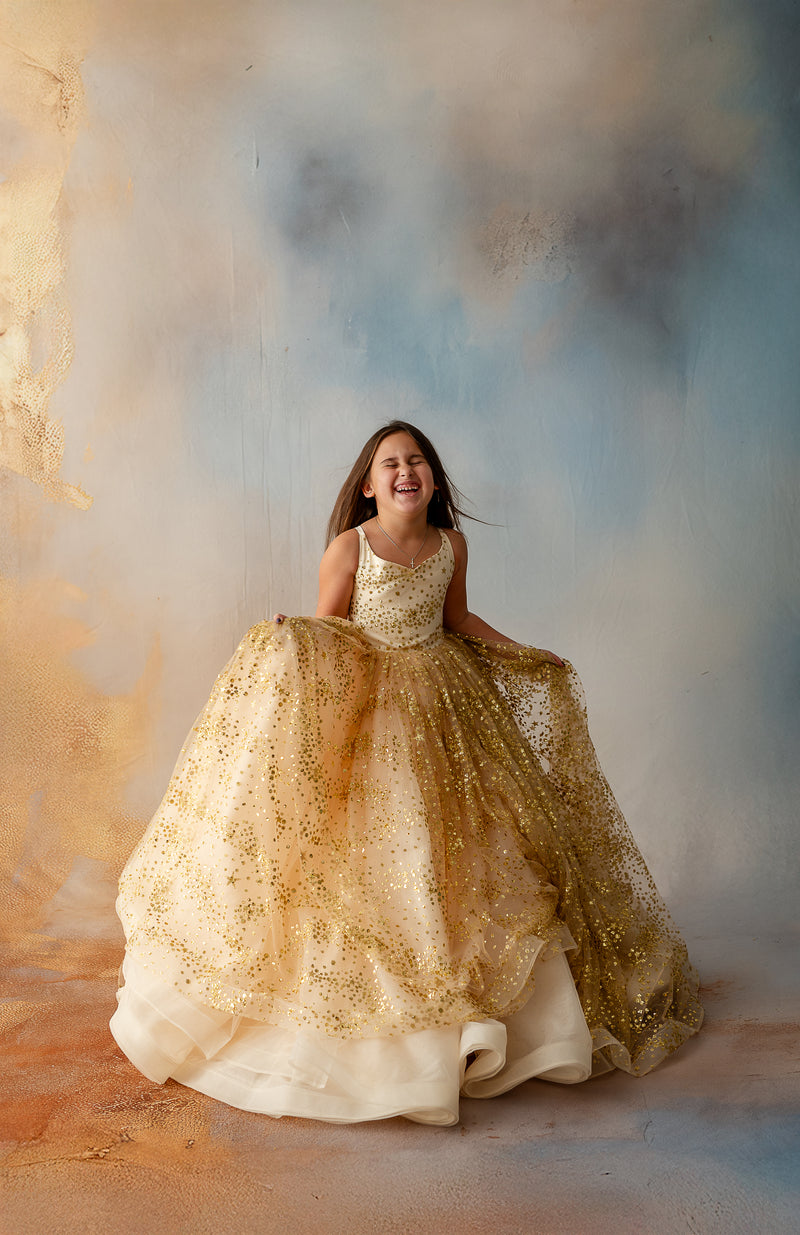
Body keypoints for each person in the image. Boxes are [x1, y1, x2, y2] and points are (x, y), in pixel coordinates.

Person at [110, 421, 702, 1126]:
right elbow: (331, 627)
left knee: (468, 846)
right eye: (390, 463)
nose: (405, 470)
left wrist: (525, 652)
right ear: (368, 485)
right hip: (374, 707)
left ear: (433, 480)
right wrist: (291, 632)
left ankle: (489, 1010)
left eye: (416, 460)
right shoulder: (350, 547)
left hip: (446, 705)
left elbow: (457, 620)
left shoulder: (451, 545)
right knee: (382, 854)